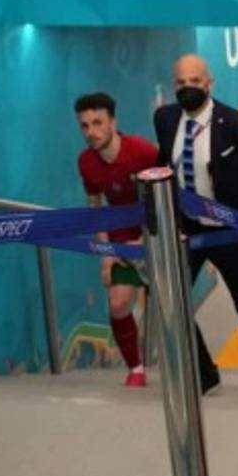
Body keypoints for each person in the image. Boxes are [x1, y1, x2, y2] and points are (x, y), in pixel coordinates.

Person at [153, 54, 238, 396]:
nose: (188, 89)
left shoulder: (237, 125)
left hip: (232, 232)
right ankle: (205, 371)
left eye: (194, 82)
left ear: (209, 83)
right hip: (189, 230)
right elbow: (163, 166)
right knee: (172, 298)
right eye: (181, 83)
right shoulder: (165, 120)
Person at [74, 92, 160, 387]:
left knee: (170, 306)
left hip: (156, 236)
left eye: (98, 123)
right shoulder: (86, 162)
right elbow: (95, 205)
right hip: (120, 240)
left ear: (113, 121)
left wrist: (148, 240)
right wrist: (106, 252)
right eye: (84, 126)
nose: (91, 132)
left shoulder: (144, 152)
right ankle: (136, 368)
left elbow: (166, 202)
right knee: (118, 304)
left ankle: (190, 367)